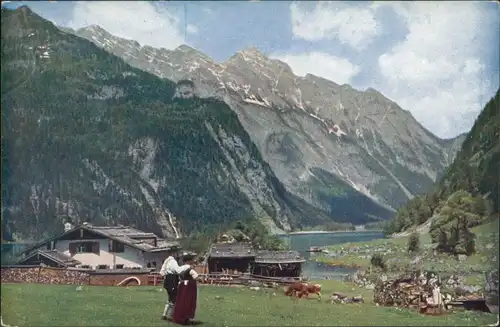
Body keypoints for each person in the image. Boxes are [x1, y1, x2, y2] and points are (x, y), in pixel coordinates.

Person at [159, 254, 191, 320]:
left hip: (167, 280)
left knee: (171, 298)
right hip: (172, 281)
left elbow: (161, 272)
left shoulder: (167, 260)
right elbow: (178, 270)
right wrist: (187, 266)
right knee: (174, 299)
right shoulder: (173, 262)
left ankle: (165, 315)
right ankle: (171, 316)